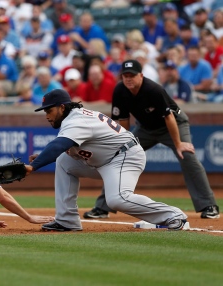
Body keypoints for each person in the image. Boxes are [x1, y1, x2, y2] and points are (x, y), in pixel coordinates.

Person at [22, 89, 188, 231]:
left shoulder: (77, 120)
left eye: (49, 111)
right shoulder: (73, 118)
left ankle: (175, 216)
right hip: (105, 160)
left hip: (125, 156)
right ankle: (66, 220)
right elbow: (65, 147)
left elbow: (59, 144)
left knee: (117, 199)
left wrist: (33, 167)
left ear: (62, 107)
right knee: (64, 162)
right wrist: (43, 157)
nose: (46, 115)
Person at [83, 59, 220, 220]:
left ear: (141, 75)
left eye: (132, 75)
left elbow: (169, 117)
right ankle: (102, 208)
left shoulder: (153, 89)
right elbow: (122, 121)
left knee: (187, 156)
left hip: (173, 124)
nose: (128, 79)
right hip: (146, 128)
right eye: (125, 75)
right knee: (119, 157)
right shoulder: (120, 90)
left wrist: (178, 144)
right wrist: (121, 145)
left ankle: (209, 206)